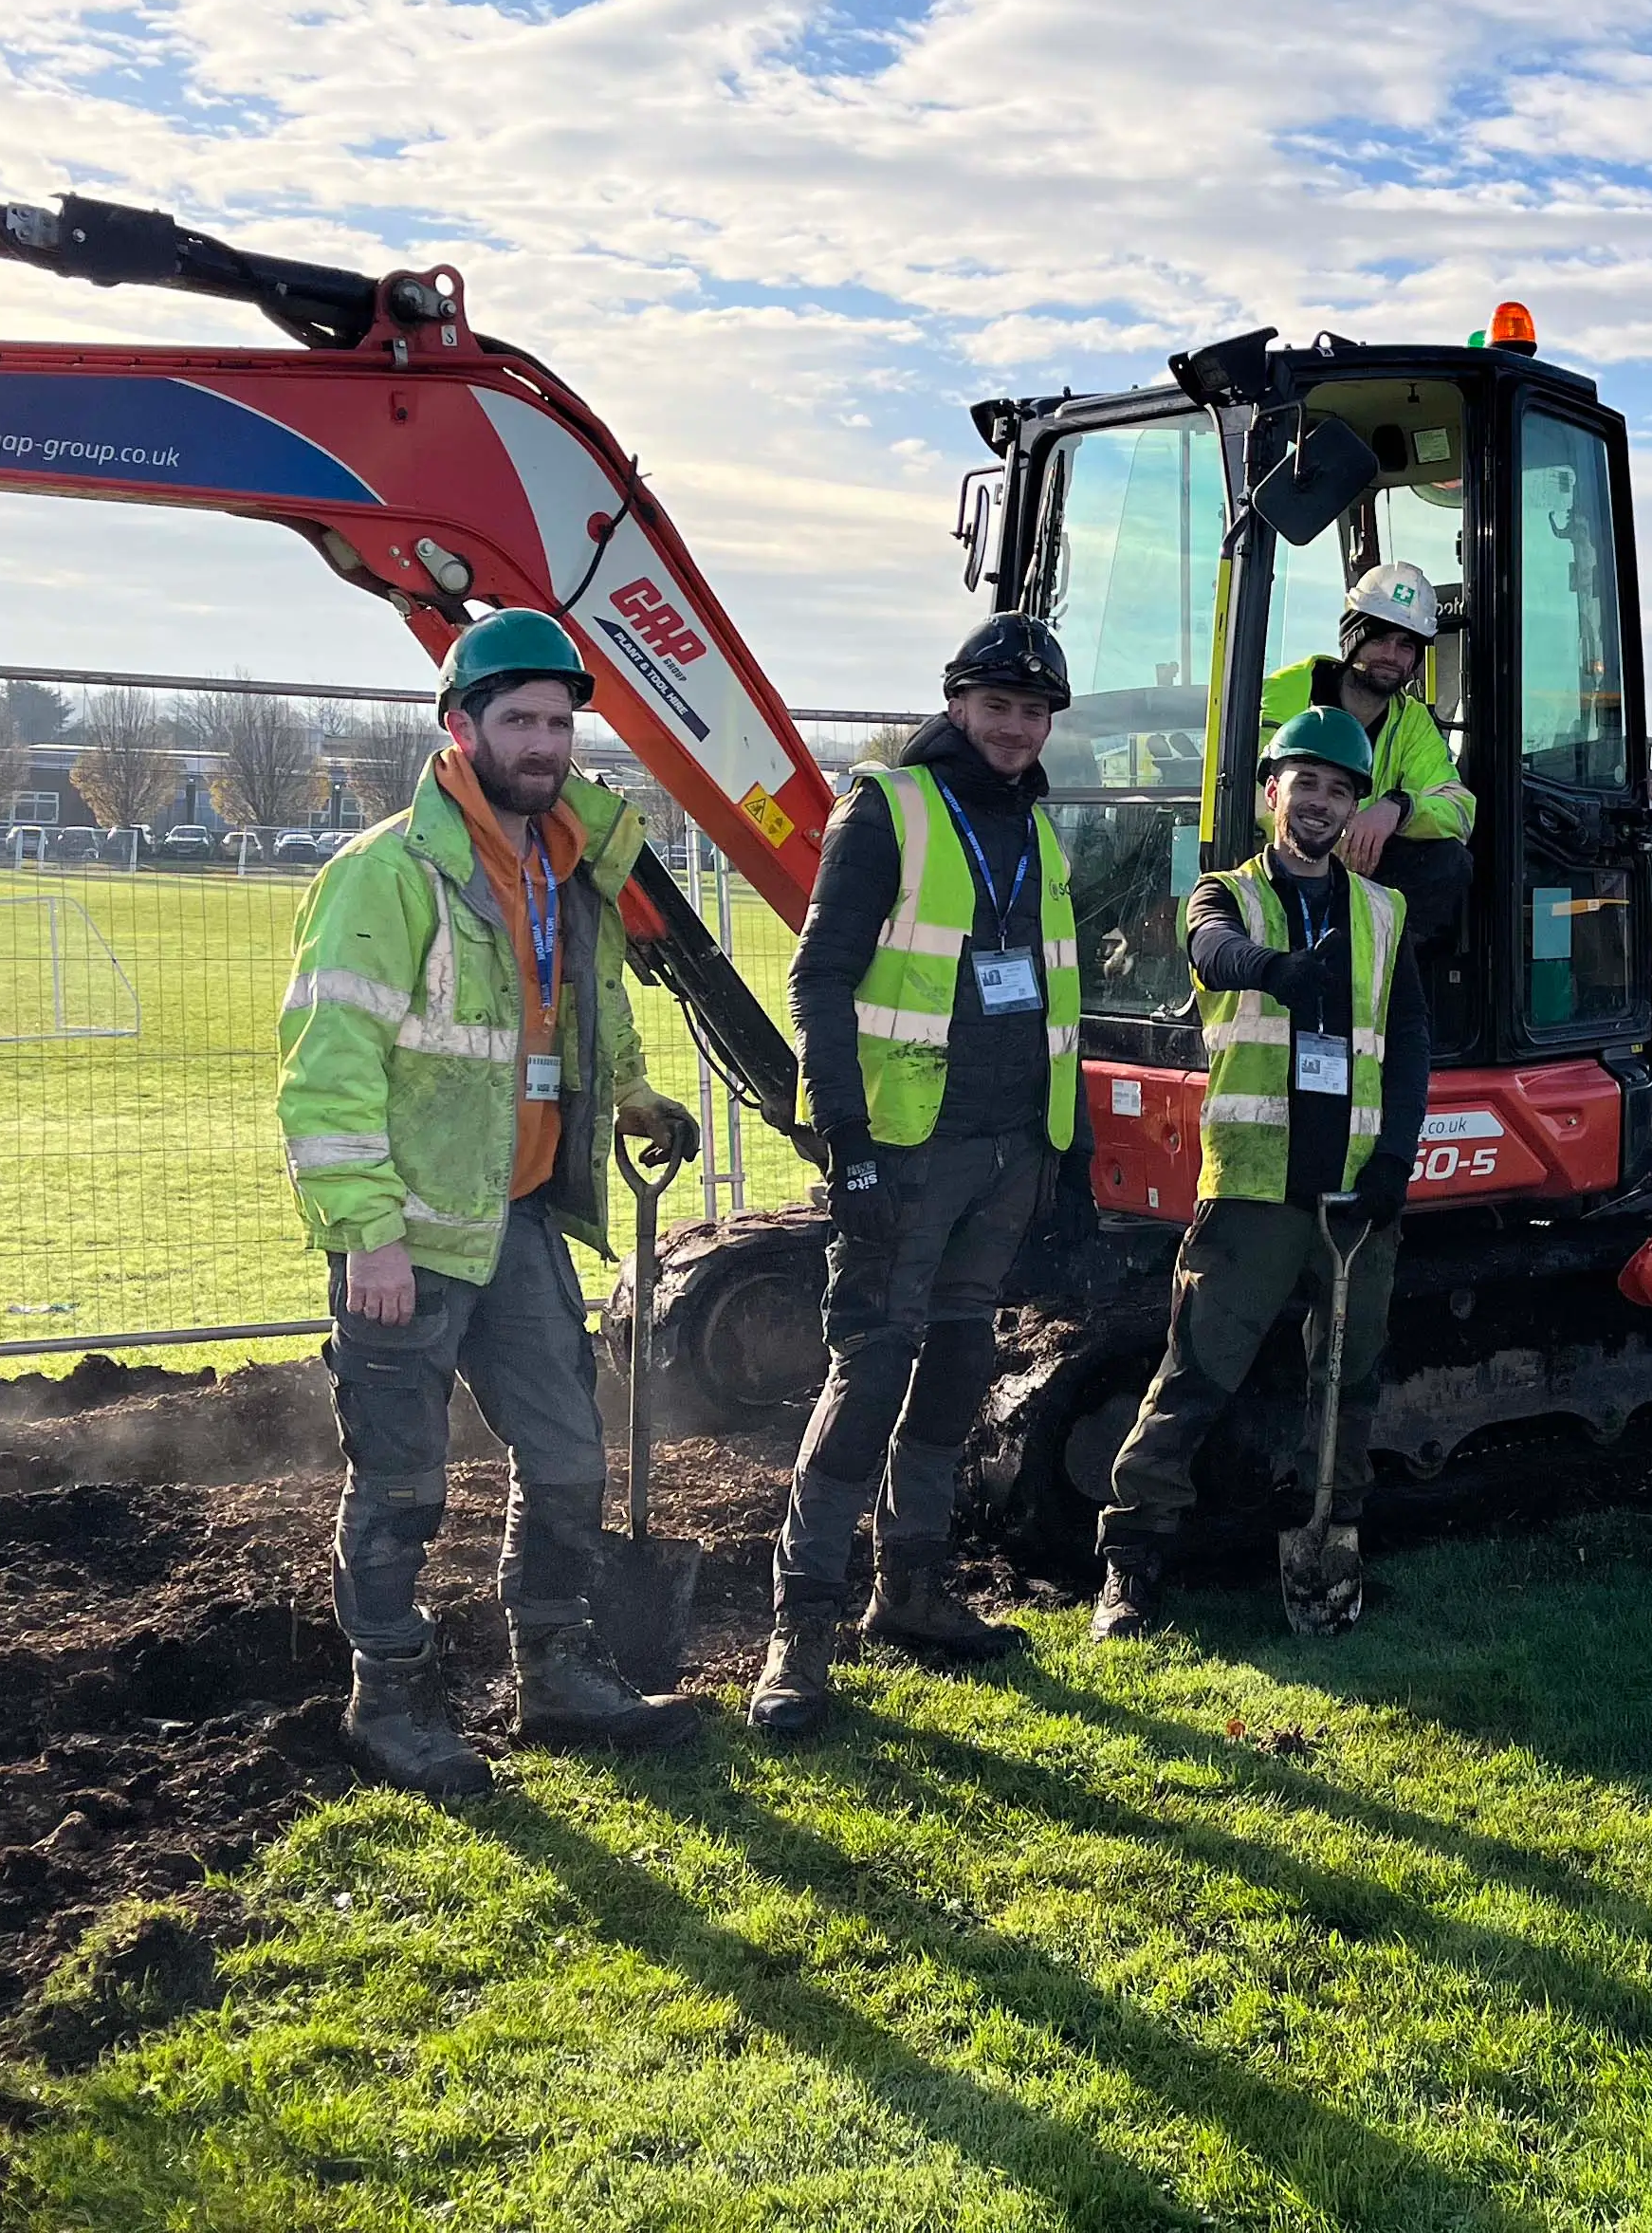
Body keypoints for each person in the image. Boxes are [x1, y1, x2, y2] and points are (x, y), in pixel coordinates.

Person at [279, 608, 707, 1797]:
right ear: (458, 729)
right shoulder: (387, 875)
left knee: (569, 1458)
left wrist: (624, 1094)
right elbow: (326, 1071)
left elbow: (572, 1015)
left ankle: (556, 1669)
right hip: (407, 1232)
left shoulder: (565, 867)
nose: (542, 740)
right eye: (517, 718)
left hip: (514, 1217)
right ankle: (391, 1696)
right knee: (405, 1481)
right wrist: (364, 1234)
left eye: (559, 721)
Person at [751, 613, 1082, 1734]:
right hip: (902, 1153)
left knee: (955, 1369)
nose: (1014, 727)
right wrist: (845, 1147)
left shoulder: (1038, 834)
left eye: (1033, 712)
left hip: (1004, 1151)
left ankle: (916, 1591)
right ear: (956, 706)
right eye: (997, 706)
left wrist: (1053, 1143)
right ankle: (798, 1636)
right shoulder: (889, 810)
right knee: (869, 1377)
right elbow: (821, 981)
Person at [1090, 707, 1431, 1638]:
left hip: (1355, 1197)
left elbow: (1407, 1051)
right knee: (1197, 1372)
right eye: (1304, 784)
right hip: (1253, 1192)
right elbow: (1209, 950)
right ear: (1272, 794)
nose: (1319, 803)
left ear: (1354, 804)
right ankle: (1132, 1563)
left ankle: (1336, 1548)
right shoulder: (1227, 893)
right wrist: (1277, 970)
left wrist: (1395, 1161)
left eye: (1338, 789)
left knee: (1347, 1380)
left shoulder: (1383, 913)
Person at [1260, 561, 1473, 948]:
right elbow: (1245, 797)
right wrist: (1328, 833)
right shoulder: (1281, 694)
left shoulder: (1411, 722)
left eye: (1406, 645)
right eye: (1379, 640)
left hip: (1360, 873)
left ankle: (1383, 976)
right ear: (1353, 637)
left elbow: (1458, 808)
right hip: (1281, 865)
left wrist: (1398, 809)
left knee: (1449, 862)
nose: (1391, 655)